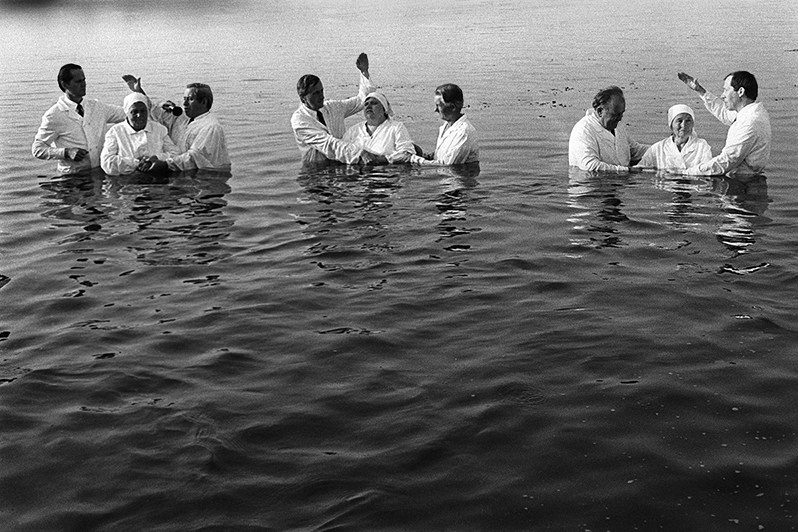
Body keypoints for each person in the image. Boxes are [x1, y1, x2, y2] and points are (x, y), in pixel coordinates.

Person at [33, 63, 138, 175]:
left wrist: (138, 93)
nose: (84, 84)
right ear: (65, 84)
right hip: (72, 178)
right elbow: (37, 149)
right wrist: (66, 152)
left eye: (84, 80)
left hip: (100, 173)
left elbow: (130, 114)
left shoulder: (97, 107)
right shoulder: (54, 115)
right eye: (78, 81)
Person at [678, 71, 771, 176]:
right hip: (742, 180)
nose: (722, 95)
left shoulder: (750, 122)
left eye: (726, 90)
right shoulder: (750, 112)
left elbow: (727, 161)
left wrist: (686, 173)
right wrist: (700, 91)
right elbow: (724, 112)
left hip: (743, 184)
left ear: (740, 92)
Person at [291, 53, 376, 165]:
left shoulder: (332, 107)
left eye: (321, 91)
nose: (321, 96)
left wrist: (364, 72)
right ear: (303, 98)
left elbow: (361, 101)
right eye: (316, 93)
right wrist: (358, 152)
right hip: (315, 172)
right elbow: (328, 144)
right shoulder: (300, 120)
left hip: (341, 164)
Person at [144, 82, 231, 172]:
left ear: (204, 102)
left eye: (190, 99)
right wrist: (140, 93)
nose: (184, 103)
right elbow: (156, 116)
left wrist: (166, 164)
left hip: (204, 177)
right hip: (181, 172)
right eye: (184, 99)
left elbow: (195, 157)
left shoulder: (211, 127)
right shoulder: (184, 119)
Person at [568, 85, 648, 172]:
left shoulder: (617, 126)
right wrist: (627, 171)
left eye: (622, 113)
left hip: (620, 182)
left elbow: (635, 150)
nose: (620, 118)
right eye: (615, 115)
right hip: (594, 183)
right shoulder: (584, 130)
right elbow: (589, 166)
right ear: (600, 111)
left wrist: (661, 149)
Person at [100, 93, 179, 176]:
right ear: (127, 112)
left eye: (143, 111)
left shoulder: (159, 129)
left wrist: (156, 158)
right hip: (127, 181)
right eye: (134, 112)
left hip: (156, 179)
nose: (139, 115)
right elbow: (106, 162)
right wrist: (136, 163)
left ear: (148, 112)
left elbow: (175, 154)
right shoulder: (115, 131)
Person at [410, 83, 479, 166]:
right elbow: (441, 157)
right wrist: (418, 153)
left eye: (438, 105)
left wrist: (413, 159)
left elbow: (448, 165)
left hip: (457, 178)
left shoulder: (464, 133)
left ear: (453, 107)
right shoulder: (446, 126)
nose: (435, 110)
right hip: (444, 177)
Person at [342, 92, 415, 164]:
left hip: (387, 172)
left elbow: (406, 153)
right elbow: (342, 150)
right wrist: (359, 154)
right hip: (358, 173)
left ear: (384, 108)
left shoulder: (396, 127)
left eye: (374, 103)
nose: (368, 106)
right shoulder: (354, 130)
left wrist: (382, 159)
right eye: (366, 104)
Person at [635, 104, 712, 171]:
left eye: (688, 121)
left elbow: (707, 169)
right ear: (671, 125)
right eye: (679, 121)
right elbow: (640, 169)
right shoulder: (658, 148)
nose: (684, 125)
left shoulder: (702, 146)